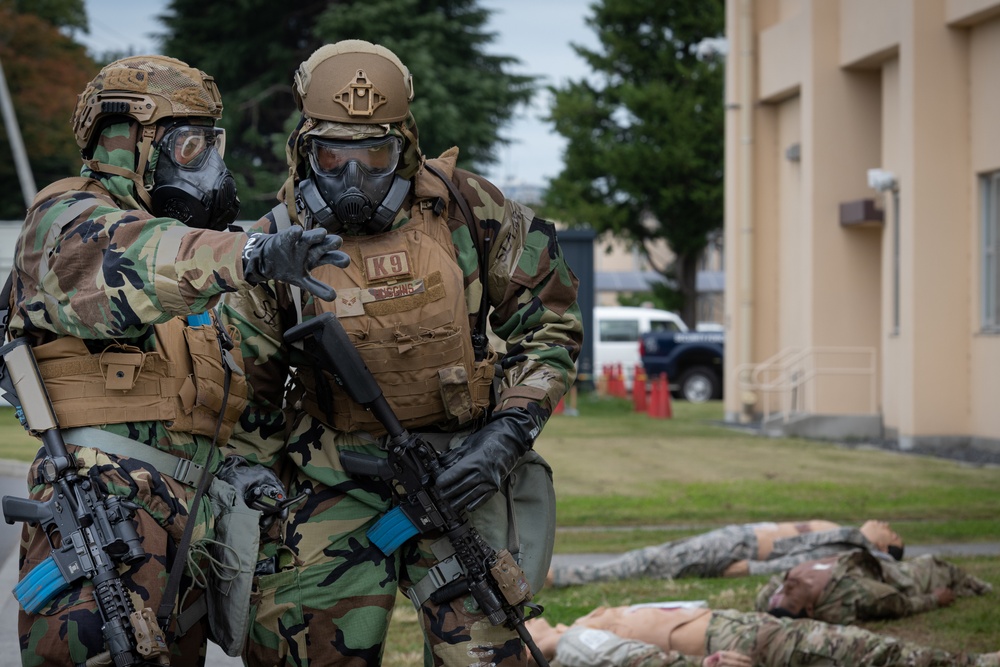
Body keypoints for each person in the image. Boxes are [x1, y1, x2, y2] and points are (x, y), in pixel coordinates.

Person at [220, 40, 582, 667]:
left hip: (463, 473)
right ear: (305, 151)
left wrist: (506, 435)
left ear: (405, 147)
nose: (352, 179)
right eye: (332, 157)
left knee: (491, 656)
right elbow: (247, 383)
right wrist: (254, 482)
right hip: (331, 477)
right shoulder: (274, 243)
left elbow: (549, 327)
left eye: (375, 155)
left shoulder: (470, 209)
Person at [8, 55, 349, 666]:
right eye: (189, 147)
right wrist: (253, 255)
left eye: (211, 144)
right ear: (130, 143)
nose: (211, 168)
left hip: (195, 521)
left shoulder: (204, 262)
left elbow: (247, 393)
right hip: (107, 509)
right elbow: (130, 258)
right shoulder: (64, 221)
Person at [525, 604, 1000, 667]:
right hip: (726, 641)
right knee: (855, 649)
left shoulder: (568, 636)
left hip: (726, 624)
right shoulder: (566, 647)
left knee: (847, 644)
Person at [548, 519, 904, 587]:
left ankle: (564, 577)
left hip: (738, 547)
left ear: (885, 546)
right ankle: (566, 575)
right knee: (656, 557)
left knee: (652, 561)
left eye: (892, 532)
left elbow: (793, 563)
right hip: (740, 537)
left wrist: (741, 570)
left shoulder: (850, 546)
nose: (885, 523)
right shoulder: (849, 536)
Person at [755, 549, 992, 624]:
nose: (787, 588)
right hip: (883, 573)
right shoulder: (853, 596)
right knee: (934, 565)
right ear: (809, 609)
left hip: (849, 551)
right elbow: (899, 604)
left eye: (781, 593)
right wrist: (934, 599)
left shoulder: (769, 599)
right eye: (792, 597)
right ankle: (985, 589)